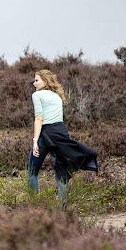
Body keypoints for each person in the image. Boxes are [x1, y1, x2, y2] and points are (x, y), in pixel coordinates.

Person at [28, 69, 98, 209]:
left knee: (32, 171)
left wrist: (35, 141)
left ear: (45, 81)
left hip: (46, 133)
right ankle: (62, 208)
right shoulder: (57, 96)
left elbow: (39, 118)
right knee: (61, 171)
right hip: (61, 133)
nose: (34, 83)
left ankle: (34, 208)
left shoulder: (37, 95)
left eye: (36, 80)